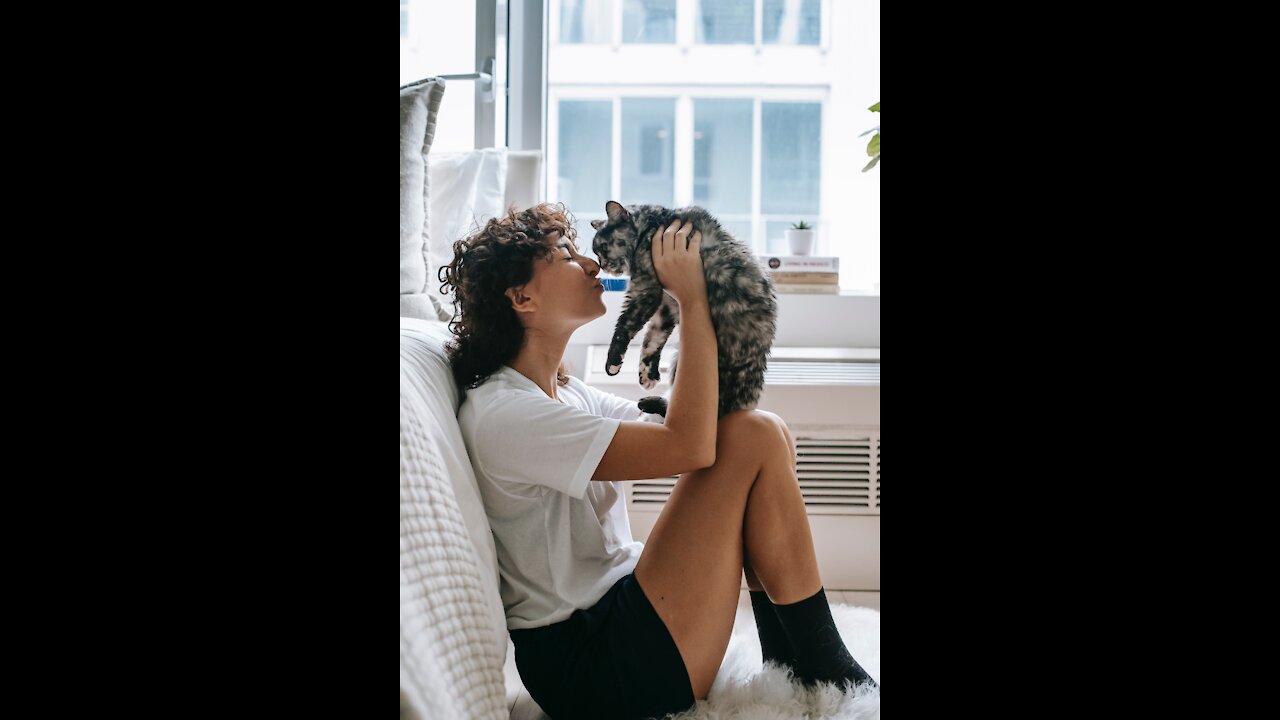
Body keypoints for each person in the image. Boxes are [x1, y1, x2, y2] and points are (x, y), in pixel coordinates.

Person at [439, 202, 875, 720]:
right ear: (521, 297)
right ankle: (824, 662)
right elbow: (690, 446)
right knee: (754, 433)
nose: (591, 264)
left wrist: (704, 293)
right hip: (594, 666)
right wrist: (692, 298)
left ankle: (795, 655)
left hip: (620, 613)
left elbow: (699, 429)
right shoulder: (508, 413)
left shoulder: (564, 392)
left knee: (765, 430)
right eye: (564, 255)